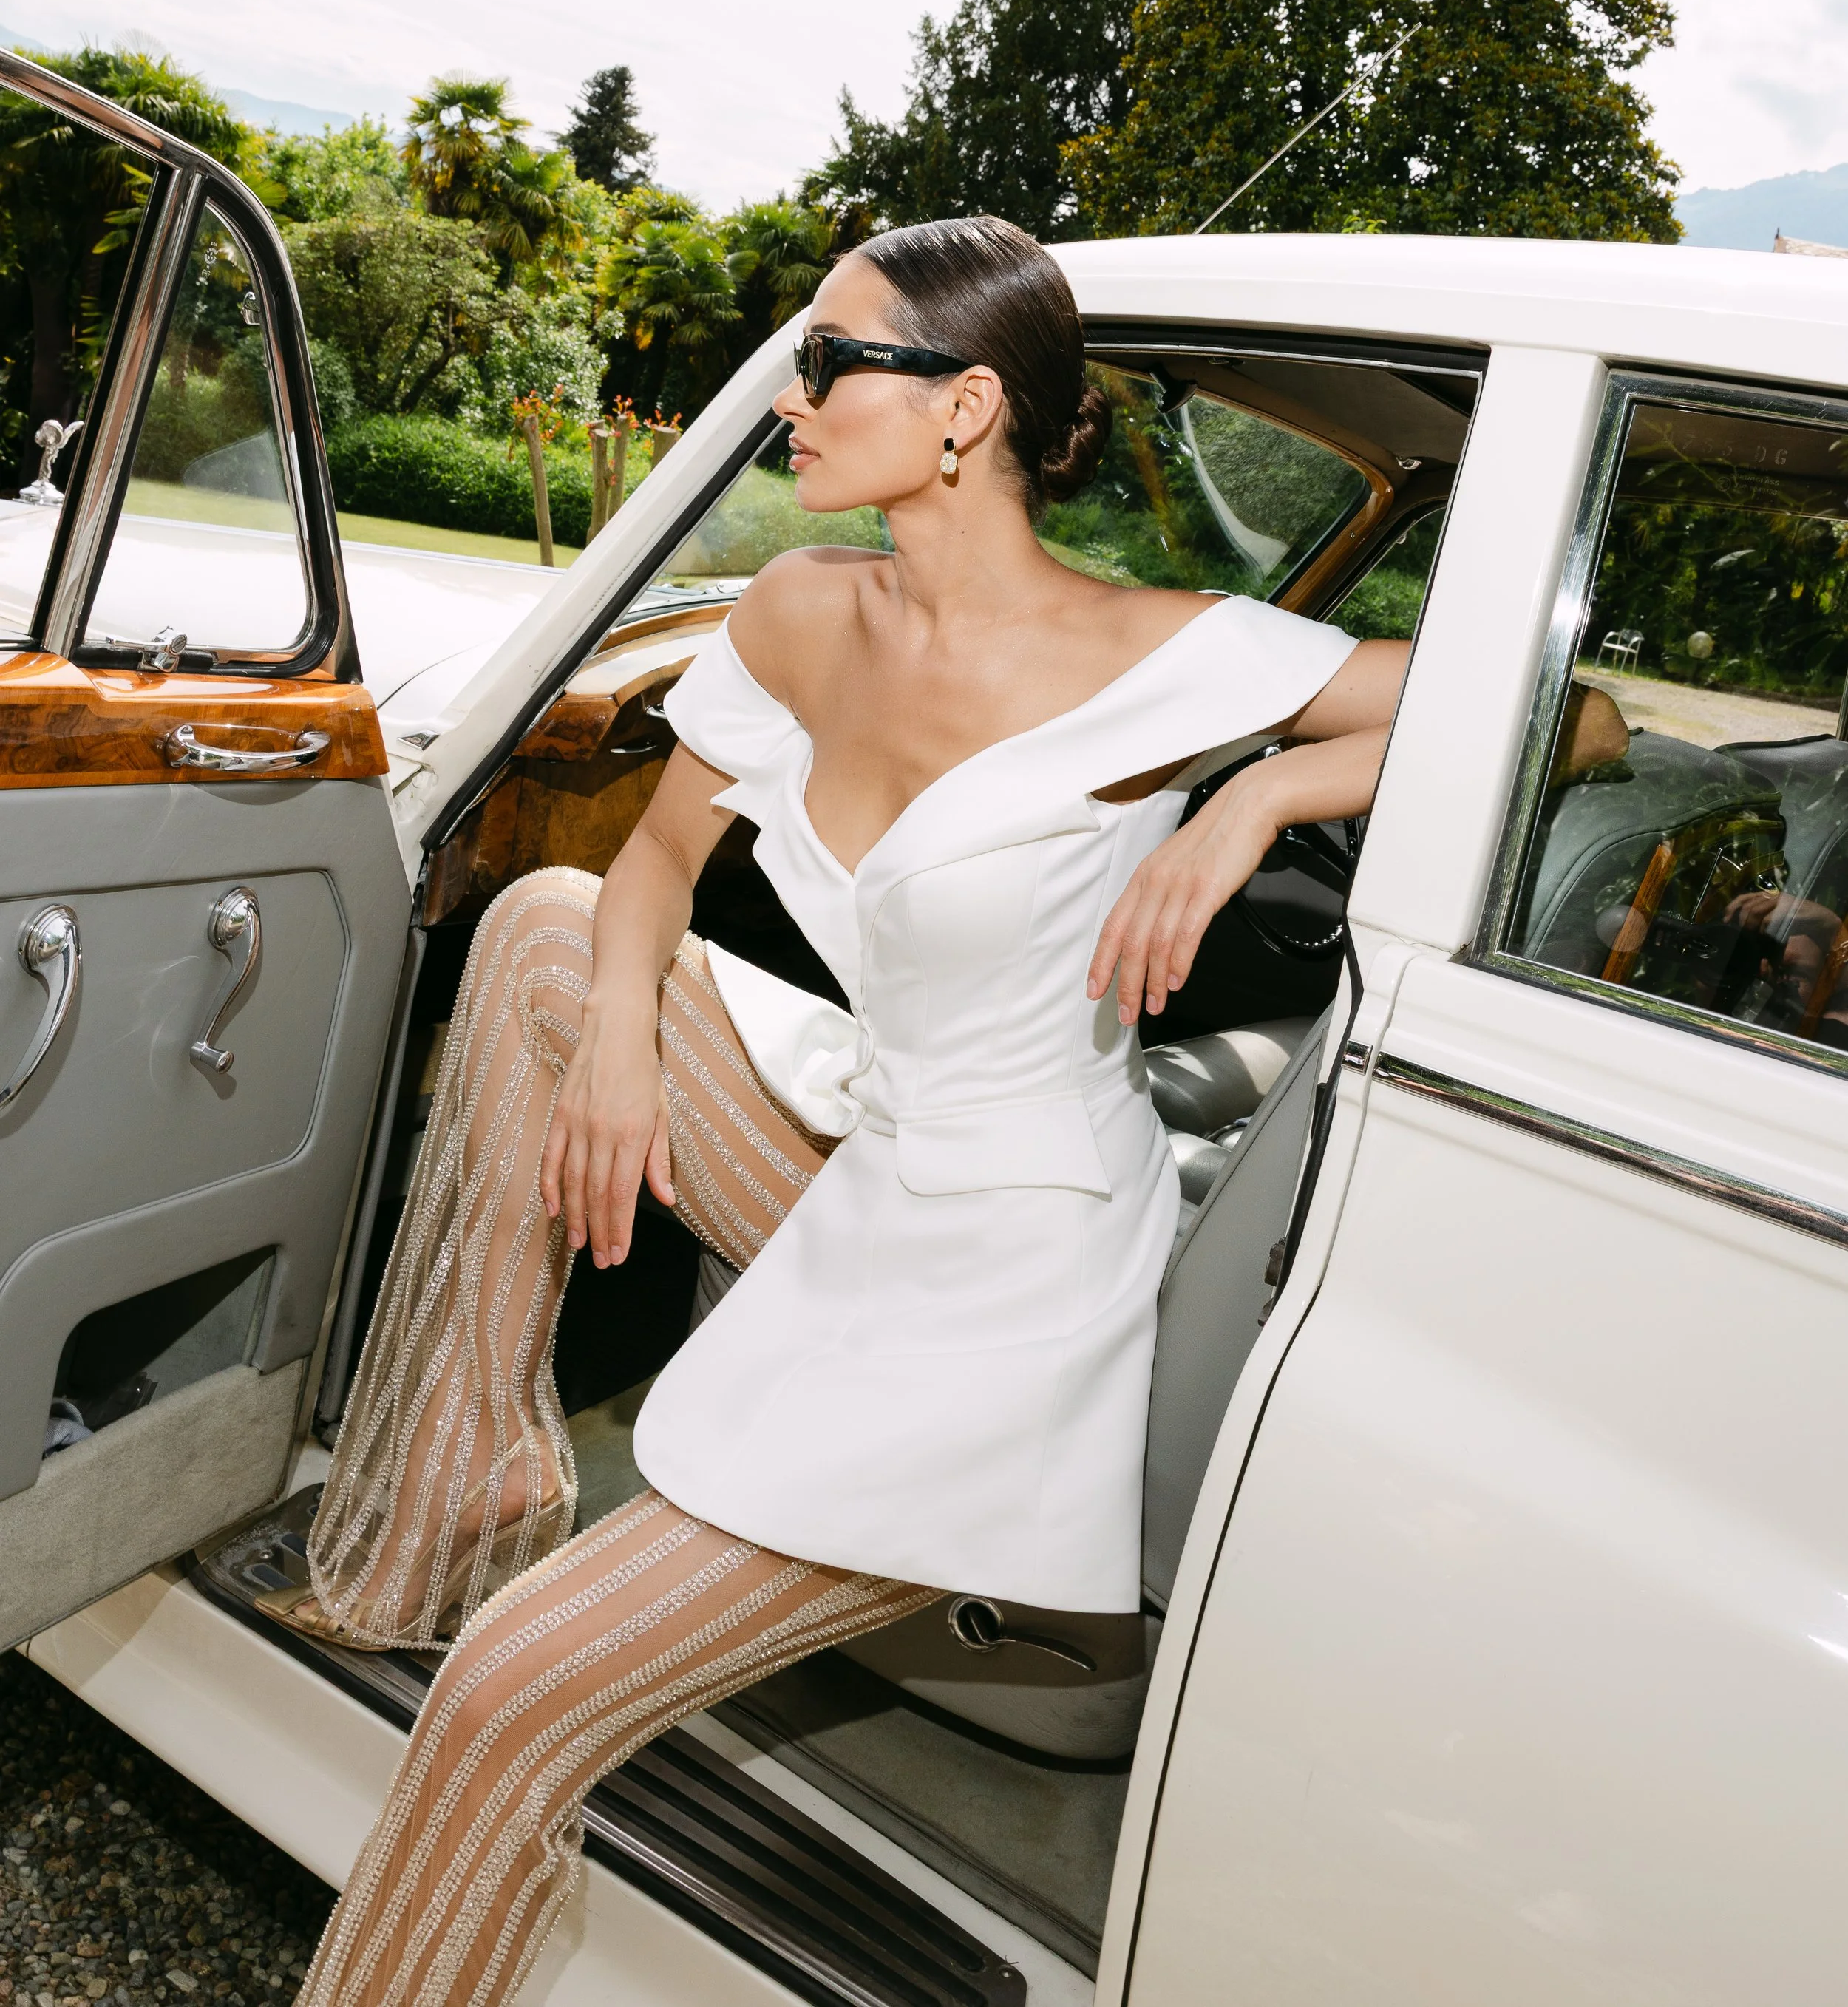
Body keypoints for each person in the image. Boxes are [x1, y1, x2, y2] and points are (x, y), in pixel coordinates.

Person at [278, 216, 1408, 2007]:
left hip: (1011, 1271)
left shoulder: (1157, 654)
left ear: (963, 408)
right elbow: (656, 862)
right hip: (868, 1154)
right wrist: (622, 1047)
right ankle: (465, 1478)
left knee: (503, 1698)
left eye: (826, 361)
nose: (788, 400)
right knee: (552, 930)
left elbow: (1559, 721)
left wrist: (1250, 800)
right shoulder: (801, 608)